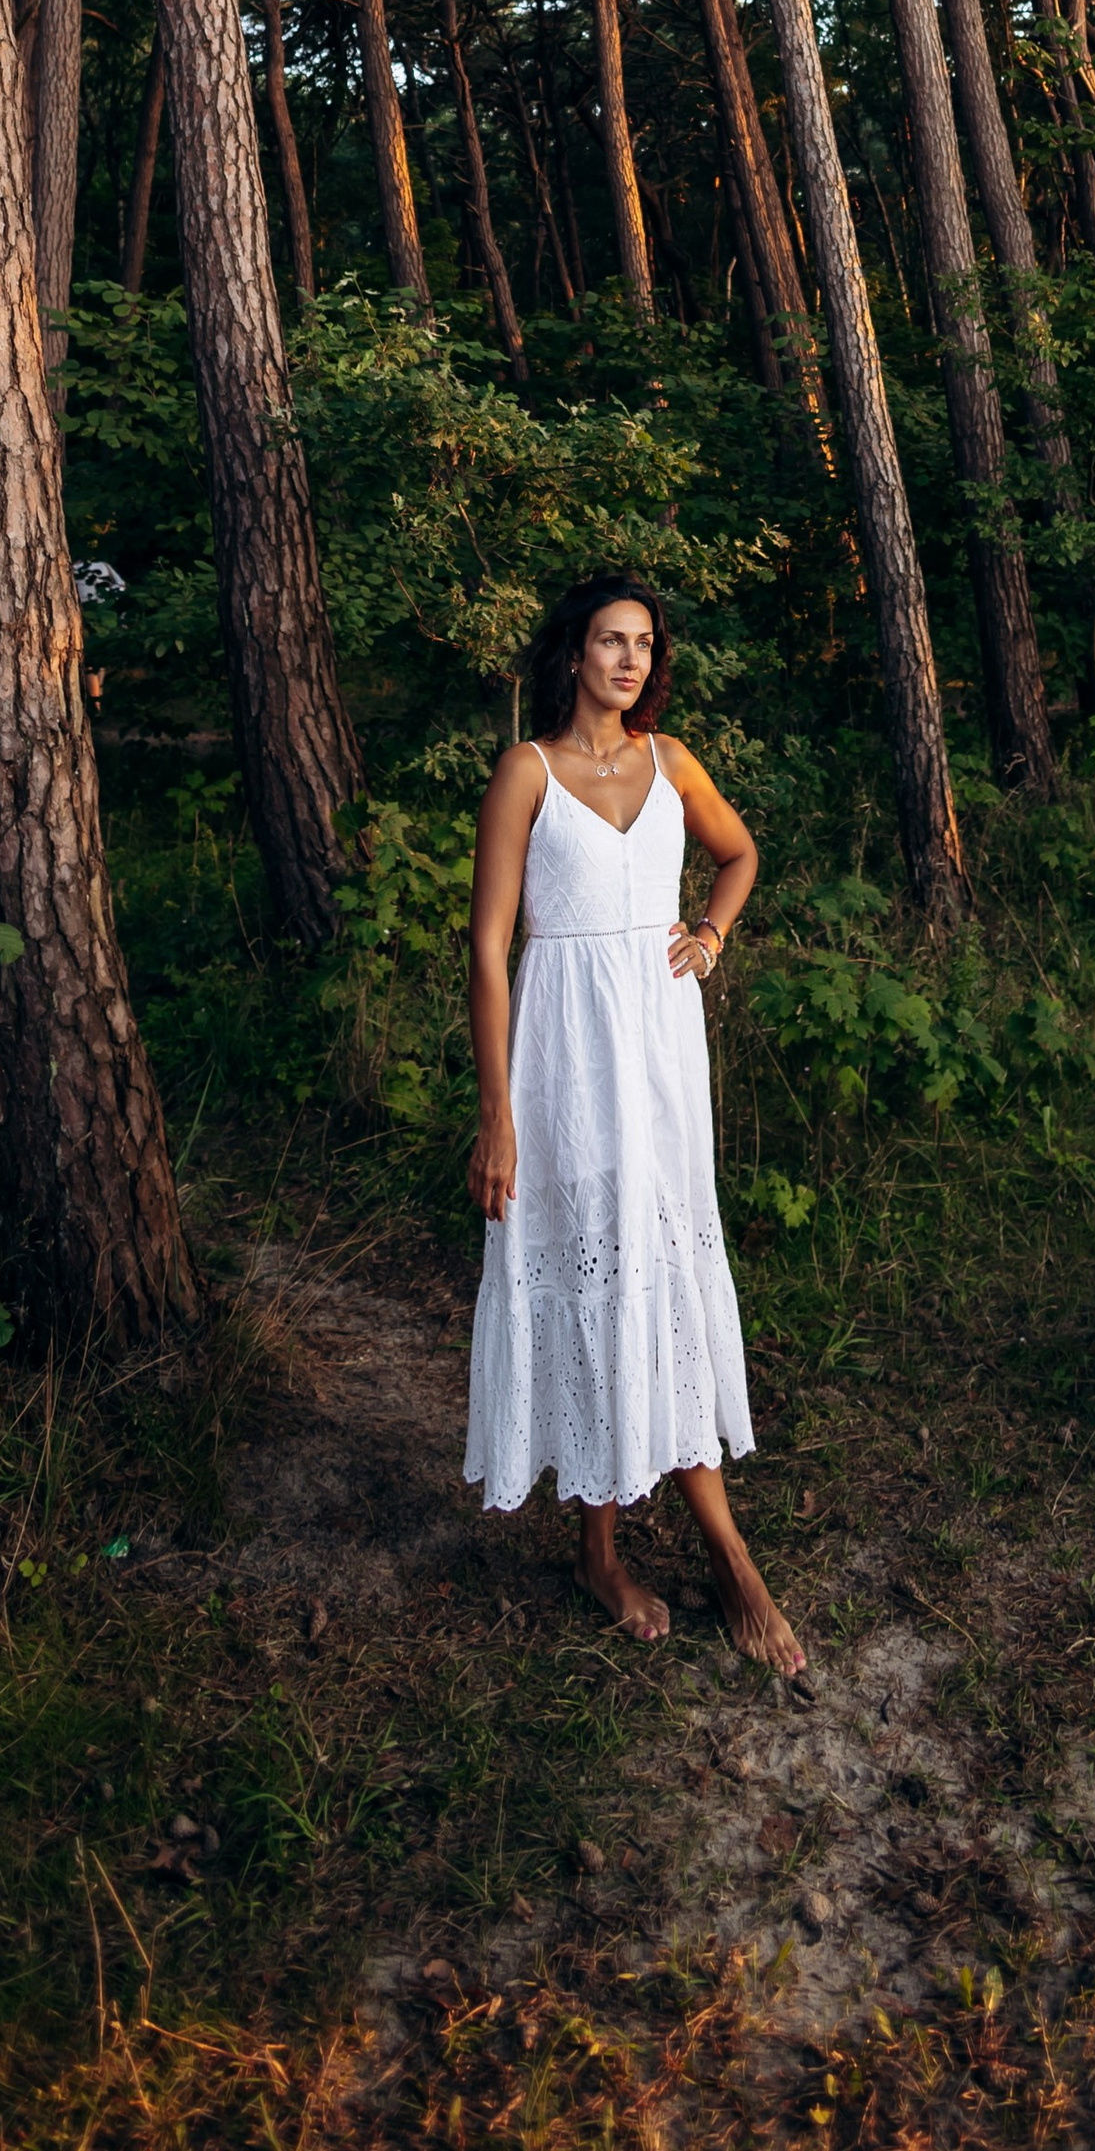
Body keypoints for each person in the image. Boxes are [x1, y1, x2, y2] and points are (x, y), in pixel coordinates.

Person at [462, 571, 804, 1671]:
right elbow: (487, 947)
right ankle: (622, 1554)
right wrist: (497, 1114)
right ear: (571, 653)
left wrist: (708, 934)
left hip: (659, 1054)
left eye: (645, 645)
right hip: (563, 1056)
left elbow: (740, 853)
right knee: (586, 1265)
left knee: (655, 1266)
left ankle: (688, 1549)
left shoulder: (672, 763)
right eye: (610, 641)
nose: (630, 661)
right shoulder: (527, 770)